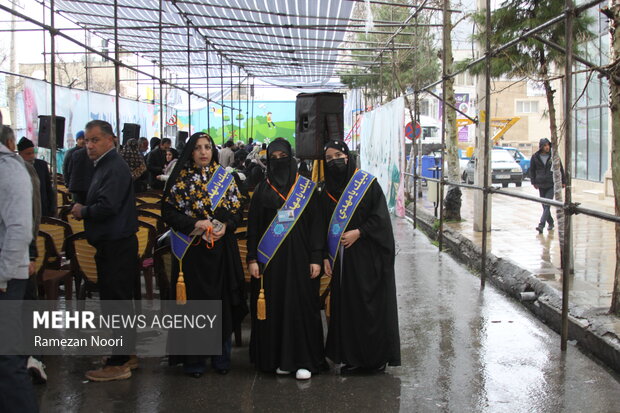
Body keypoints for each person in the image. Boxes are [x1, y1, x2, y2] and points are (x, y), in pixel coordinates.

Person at [162, 132, 247, 377]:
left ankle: (222, 359)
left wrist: (226, 226)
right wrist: (194, 224)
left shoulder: (226, 178)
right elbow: (168, 212)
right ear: (190, 152)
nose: (203, 152)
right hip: (193, 253)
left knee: (221, 304)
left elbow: (237, 211)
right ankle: (195, 361)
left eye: (207, 147)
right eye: (198, 147)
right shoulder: (179, 180)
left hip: (221, 252)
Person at [319, 140, 401, 375]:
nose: (334, 161)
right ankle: (351, 357)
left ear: (348, 156)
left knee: (368, 308)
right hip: (341, 262)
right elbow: (321, 226)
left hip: (368, 259)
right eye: (329, 158)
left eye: (338, 155)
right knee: (347, 309)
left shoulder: (367, 184)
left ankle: (374, 359)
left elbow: (381, 219)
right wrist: (325, 255)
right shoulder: (325, 191)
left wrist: (359, 232)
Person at [246, 138, 325, 380]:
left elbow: (317, 226)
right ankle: (279, 359)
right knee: (276, 307)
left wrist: (316, 257)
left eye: (283, 156)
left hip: (302, 260)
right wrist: (251, 259)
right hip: (271, 263)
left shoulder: (306, 189)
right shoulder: (262, 189)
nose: (279, 161)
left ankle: (303, 360)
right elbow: (254, 228)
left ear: (291, 157)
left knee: (301, 307)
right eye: (274, 157)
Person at [70, 120, 138, 382]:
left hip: (117, 244)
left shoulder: (114, 166)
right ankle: (126, 354)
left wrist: (83, 211)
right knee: (118, 303)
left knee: (117, 305)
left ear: (111, 139)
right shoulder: (104, 165)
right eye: (87, 140)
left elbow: (107, 205)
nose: (89, 145)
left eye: (95, 140)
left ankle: (119, 363)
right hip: (112, 243)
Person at [0, 126, 39, 412]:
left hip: (5, 277)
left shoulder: (10, 169)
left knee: (7, 359)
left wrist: (3, 275)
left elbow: (20, 229)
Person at [530, 138, 565, 234]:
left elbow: (560, 168)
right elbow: (532, 170)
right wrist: (533, 182)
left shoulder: (554, 156)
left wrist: (563, 181)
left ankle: (541, 225)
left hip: (551, 183)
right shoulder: (535, 157)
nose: (547, 147)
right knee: (544, 205)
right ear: (541, 147)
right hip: (541, 184)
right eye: (545, 145)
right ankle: (551, 222)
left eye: (548, 145)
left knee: (547, 204)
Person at [17, 137, 55, 217]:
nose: (32, 156)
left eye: (33, 152)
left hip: (42, 210)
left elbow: (48, 189)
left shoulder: (41, 165)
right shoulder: (15, 168)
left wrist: (52, 209)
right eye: (28, 153)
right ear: (20, 154)